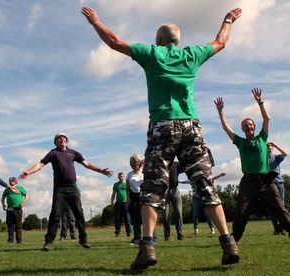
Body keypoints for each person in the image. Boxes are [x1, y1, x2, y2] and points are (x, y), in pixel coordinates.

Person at [82, 5, 242, 269]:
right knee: (205, 183)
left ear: (158, 39)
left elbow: (114, 41)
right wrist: (228, 19)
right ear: (178, 41)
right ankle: (228, 242)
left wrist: (95, 21)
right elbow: (221, 42)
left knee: (153, 188)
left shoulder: (152, 53)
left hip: (162, 127)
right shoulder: (192, 55)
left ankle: (147, 247)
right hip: (191, 127)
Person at [215, 89, 290, 243]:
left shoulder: (262, 138)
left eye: (250, 124)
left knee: (280, 209)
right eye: (245, 125)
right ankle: (233, 242)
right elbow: (226, 128)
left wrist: (259, 102)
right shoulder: (240, 142)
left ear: (254, 127)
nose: (248, 127)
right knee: (241, 212)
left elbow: (267, 118)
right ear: (242, 129)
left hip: (266, 181)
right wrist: (220, 111)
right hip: (248, 182)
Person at [19, 133, 113, 251]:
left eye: (64, 137)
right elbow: (40, 164)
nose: (62, 139)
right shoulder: (53, 153)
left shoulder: (73, 153)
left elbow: (87, 164)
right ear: (56, 142)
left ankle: (83, 241)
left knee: (79, 214)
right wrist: (28, 171)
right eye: (59, 138)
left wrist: (100, 170)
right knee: (55, 215)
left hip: (72, 188)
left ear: (66, 140)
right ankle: (48, 242)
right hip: (59, 189)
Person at [266, 142, 287, 235]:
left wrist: (275, 145)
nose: (268, 148)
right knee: (270, 208)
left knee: (281, 206)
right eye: (266, 147)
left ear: (272, 148)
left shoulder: (276, 157)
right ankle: (276, 227)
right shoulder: (262, 159)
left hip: (279, 183)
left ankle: (283, 228)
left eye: (269, 147)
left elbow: (285, 154)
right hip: (268, 185)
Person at [1, 176, 28, 244]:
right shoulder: (7, 189)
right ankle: (10, 240)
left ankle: (19, 240)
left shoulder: (20, 188)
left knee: (18, 225)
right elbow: (3, 197)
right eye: (10, 180)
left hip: (18, 208)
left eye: (13, 180)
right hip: (9, 208)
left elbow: (27, 195)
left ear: (16, 181)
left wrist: (23, 202)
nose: (11, 181)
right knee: (10, 225)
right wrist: (3, 204)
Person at [161, 161, 184, 241]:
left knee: (178, 212)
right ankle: (167, 236)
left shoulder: (176, 164)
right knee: (165, 215)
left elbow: (186, 166)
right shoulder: (161, 162)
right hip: (164, 191)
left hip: (175, 190)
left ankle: (180, 235)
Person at [111, 172, 132, 237]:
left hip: (126, 202)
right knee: (117, 218)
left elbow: (130, 193)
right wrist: (112, 201)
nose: (121, 178)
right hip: (118, 203)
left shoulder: (127, 184)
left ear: (124, 177)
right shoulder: (116, 184)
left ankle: (128, 232)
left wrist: (130, 201)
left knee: (127, 218)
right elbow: (113, 194)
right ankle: (117, 232)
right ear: (118, 177)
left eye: (122, 176)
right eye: (119, 177)